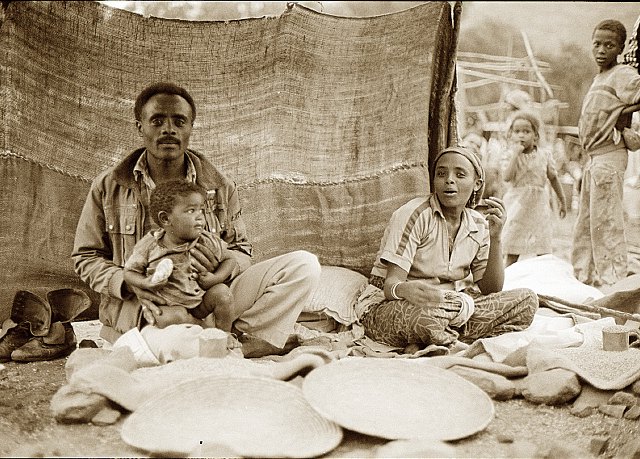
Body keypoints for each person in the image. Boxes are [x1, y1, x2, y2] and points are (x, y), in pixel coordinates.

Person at [73, 82, 321, 357]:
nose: (169, 129)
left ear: (191, 127)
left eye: (179, 121)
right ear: (139, 127)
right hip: (146, 307)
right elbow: (86, 256)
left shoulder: (219, 185)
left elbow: (241, 250)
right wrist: (128, 282)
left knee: (304, 265)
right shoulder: (109, 186)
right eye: (157, 120)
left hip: (207, 298)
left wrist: (218, 273)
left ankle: (229, 338)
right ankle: (218, 346)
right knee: (164, 347)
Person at [354, 146, 538, 352]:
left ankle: (430, 339)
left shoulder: (478, 224)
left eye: (460, 174)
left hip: (447, 306)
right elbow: (390, 287)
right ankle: (443, 337)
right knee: (423, 319)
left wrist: (496, 238)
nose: (449, 180)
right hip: (391, 305)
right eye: (441, 174)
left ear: (477, 184)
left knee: (527, 301)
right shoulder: (415, 214)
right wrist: (407, 290)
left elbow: (491, 290)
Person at [571, 20, 640, 287]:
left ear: (621, 49)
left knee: (606, 223)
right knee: (587, 222)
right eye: (597, 44)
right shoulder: (601, 77)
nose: (601, 50)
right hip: (593, 159)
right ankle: (583, 277)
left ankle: (613, 280)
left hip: (609, 156)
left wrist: (623, 115)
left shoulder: (623, 74)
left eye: (609, 45)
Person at [123, 179, 239, 331]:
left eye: (202, 210)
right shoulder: (150, 245)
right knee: (171, 318)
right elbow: (129, 272)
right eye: (191, 211)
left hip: (200, 302)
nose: (200, 217)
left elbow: (230, 259)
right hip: (169, 304)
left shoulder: (206, 240)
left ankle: (225, 334)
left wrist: (216, 278)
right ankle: (203, 329)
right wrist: (145, 283)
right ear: (165, 219)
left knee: (223, 294)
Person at [501, 110, 567, 267]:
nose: (521, 135)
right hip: (518, 205)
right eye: (517, 131)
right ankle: (507, 279)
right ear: (511, 135)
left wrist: (562, 199)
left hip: (538, 206)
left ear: (536, 136)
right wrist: (515, 155)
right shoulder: (511, 155)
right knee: (513, 246)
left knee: (542, 246)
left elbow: (553, 178)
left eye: (526, 131)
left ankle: (542, 277)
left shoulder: (544, 155)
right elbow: (507, 177)